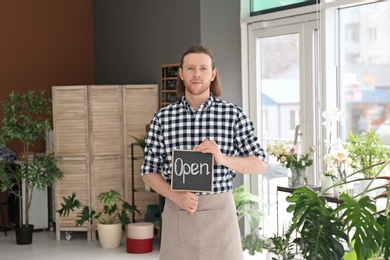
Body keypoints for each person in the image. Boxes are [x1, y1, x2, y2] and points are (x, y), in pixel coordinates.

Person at [141, 43, 267, 260]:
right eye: (190, 68)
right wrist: (175, 196)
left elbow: (260, 164)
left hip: (221, 214)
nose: (196, 74)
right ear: (180, 73)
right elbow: (148, 171)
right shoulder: (162, 118)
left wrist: (222, 158)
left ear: (213, 74)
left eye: (203, 68)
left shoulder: (233, 115)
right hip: (177, 211)